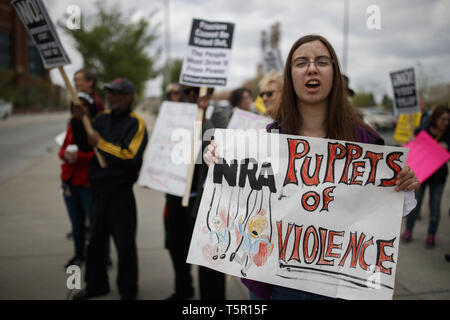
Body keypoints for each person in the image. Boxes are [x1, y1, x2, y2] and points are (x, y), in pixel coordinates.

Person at [204, 34, 420, 300]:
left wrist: (404, 183)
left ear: (335, 73)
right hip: (275, 283)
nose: (312, 69)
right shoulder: (266, 139)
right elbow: (239, 203)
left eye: (322, 61)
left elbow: (383, 213)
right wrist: (219, 158)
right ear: (290, 76)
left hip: (340, 282)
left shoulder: (365, 140)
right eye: (301, 63)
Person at [73, 78, 148, 300]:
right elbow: (85, 143)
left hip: (120, 194)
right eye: (109, 92)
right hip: (98, 191)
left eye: (117, 93)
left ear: (129, 97)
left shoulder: (136, 123)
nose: (111, 96)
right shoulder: (101, 119)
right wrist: (78, 121)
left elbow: (131, 157)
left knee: (124, 245)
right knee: (95, 243)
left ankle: (128, 290)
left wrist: (102, 145)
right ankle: (96, 285)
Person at [59, 92, 99, 269]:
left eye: (82, 105)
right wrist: (66, 155)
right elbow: (62, 150)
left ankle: (102, 257)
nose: (78, 109)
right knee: (76, 224)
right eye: (75, 106)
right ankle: (79, 254)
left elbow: (99, 155)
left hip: (87, 183)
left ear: (89, 108)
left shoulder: (95, 126)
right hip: (70, 181)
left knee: (96, 224)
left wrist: (80, 157)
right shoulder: (71, 125)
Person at [401, 105, 450, 248]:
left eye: (448, 120)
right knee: (415, 205)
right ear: (435, 118)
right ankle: (408, 231)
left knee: (435, 206)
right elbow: (413, 144)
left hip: (439, 177)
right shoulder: (423, 129)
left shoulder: (448, 133)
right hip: (421, 175)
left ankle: (431, 235)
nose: (446, 122)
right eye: (443, 119)